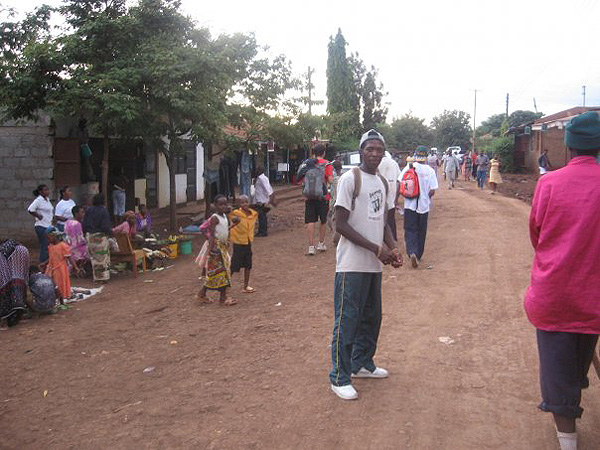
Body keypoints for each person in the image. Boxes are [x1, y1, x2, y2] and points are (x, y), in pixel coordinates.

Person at [525, 111, 600, 450]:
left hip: (554, 297)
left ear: (569, 147)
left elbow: (536, 234)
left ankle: (567, 439)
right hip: (594, 301)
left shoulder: (549, 183)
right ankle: (571, 390)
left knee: (558, 374)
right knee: (577, 362)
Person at [329, 129, 402, 401]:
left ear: (384, 153)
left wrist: (393, 248)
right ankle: (339, 376)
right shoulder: (350, 179)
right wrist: (376, 249)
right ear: (361, 151)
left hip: (374, 264)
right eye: (369, 149)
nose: (374, 153)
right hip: (351, 265)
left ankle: (362, 363)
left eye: (379, 150)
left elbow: (382, 221)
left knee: (372, 318)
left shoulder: (382, 182)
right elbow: (341, 224)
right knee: (347, 320)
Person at [399, 146, 438, 268]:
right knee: (421, 230)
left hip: (409, 205)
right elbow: (432, 190)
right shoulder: (430, 171)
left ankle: (412, 252)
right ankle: (419, 254)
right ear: (426, 156)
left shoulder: (408, 168)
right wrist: (426, 197)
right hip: (423, 206)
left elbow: (400, 182)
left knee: (410, 230)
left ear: (415, 155)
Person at [197, 195, 239, 306]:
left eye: (225, 204)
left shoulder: (224, 216)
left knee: (218, 273)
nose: (223, 206)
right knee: (222, 272)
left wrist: (233, 226)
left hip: (222, 247)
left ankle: (203, 294)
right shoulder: (214, 218)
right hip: (216, 248)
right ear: (215, 205)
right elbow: (212, 235)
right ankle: (222, 298)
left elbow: (224, 231)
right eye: (220, 204)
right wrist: (211, 250)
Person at [298, 144, 334, 255]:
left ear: (313, 153)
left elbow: (301, 179)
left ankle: (311, 247)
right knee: (323, 220)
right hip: (323, 197)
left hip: (309, 197)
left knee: (310, 221)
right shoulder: (327, 164)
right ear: (323, 153)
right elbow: (331, 180)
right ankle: (321, 243)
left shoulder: (308, 164)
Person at [228, 195, 258, 293]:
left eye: (246, 202)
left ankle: (246, 285)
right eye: (242, 202)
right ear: (239, 204)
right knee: (234, 265)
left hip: (248, 242)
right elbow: (228, 214)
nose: (245, 204)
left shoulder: (253, 214)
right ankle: (225, 285)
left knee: (248, 265)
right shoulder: (235, 214)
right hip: (238, 242)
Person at [83, 194, 112, 282]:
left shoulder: (89, 210)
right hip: (101, 236)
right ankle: (103, 277)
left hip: (91, 236)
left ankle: (96, 277)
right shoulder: (104, 211)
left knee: (94, 258)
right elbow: (106, 226)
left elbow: (84, 224)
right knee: (103, 258)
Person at [0, 239, 29, 327]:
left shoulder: (1, 252)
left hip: (15, 256)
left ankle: (6, 320)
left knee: (5, 284)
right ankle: (18, 312)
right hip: (23, 252)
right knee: (18, 280)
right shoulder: (6, 247)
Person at [44, 227, 76, 306]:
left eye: (49, 238)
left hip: (61, 269)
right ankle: (56, 296)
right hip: (52, 268)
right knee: (53, 283)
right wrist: (44, 263)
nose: (48, 240)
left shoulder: (63, 246)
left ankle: (63, 295)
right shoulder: (50, 246)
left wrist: (75, 267)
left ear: (54, 236)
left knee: (61, 283)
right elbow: (51, 257)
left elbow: (69, 258)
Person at [378, 149, 401, 240]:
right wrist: (397, 197)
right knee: (391, 219)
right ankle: (393, 239)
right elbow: (399, 180)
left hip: (379, 194)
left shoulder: (376, 163)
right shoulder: (393, 163)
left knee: (380, 219)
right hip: (392, 193)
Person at [27, 184, 54, 264]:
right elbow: (30, 209)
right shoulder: (38, 200)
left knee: (48, 246)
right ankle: (42, 264)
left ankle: (46, 264)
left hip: (48, 226)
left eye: (48, 190)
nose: (47, 192)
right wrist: (38, 216)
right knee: (44, 246)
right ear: (40, 192)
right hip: (41, 226)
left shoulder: (47, 200)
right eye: (45, 190)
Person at [64, 205, 90, 274]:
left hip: (68, 246)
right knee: (92, 249)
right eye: (82, 212)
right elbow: (80, 240)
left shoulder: (67, 222)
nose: (83, 214)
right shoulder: (77, 224)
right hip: (76, 248)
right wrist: (87, 241)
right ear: (76, 213)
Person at [253, 167, 276, 237]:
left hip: (262, 201)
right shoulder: (262, 178)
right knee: (261, 217)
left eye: (257, 170)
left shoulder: (261, 178)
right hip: (260, 201)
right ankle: (261, 231)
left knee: (262, 217)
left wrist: (270, 201)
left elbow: (269, 190)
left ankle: (263, 232)